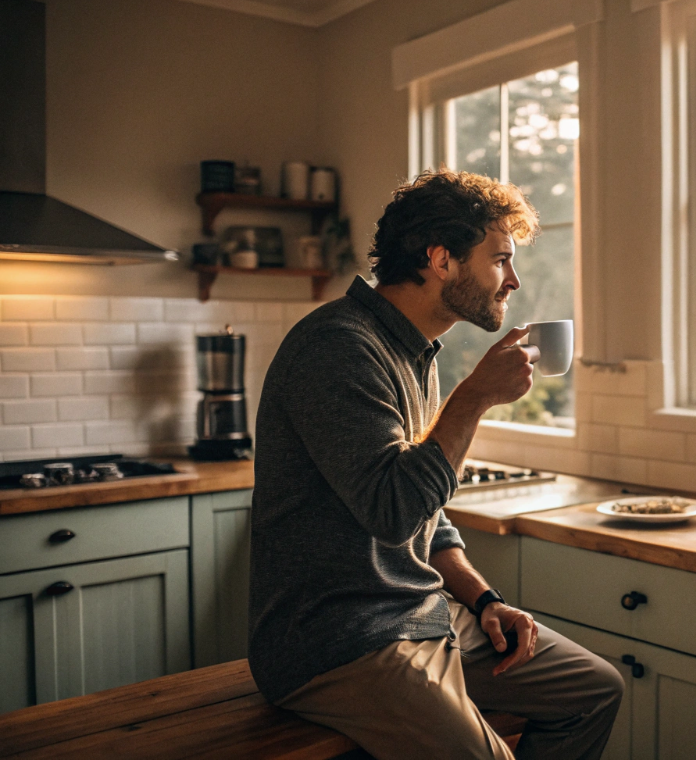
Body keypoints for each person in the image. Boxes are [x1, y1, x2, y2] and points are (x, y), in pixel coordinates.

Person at [247, 169, 624, 760]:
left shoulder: (415, 351)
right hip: (337, 640)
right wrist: (474, 398)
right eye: (500, 260)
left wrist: (484, 599)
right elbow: (393, 510)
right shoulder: (338, 347)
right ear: (441, 259)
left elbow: (429, 515)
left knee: (595, 689)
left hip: (422, 615)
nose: (514, 280)